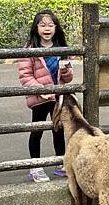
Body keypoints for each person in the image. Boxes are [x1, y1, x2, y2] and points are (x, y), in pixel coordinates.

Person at [18, 10, 73, 183]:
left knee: (58, 129)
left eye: (50, 25)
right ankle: (36, 165)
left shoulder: (61, 48)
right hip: (40, 97)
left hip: (57, 96)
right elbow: (25, 76)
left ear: (56, 28)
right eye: (42, 25)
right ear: (36, 28)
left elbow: (68, 78)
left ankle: (60, 162)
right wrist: (40, 89)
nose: (46, 28)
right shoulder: (30, 49)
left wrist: (65, 70)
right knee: (37, 130)